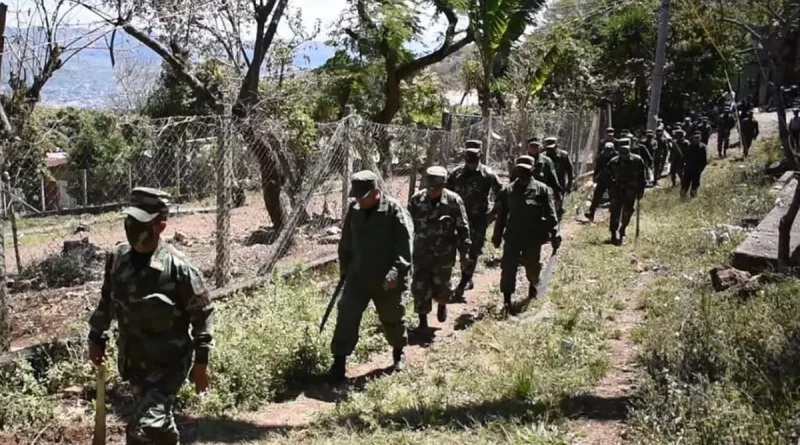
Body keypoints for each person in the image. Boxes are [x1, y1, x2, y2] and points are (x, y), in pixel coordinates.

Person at [88, 187, 213, 445]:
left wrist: (201, 363)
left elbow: (202, 316)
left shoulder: (179, 269)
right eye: (130, 220)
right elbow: (107, 301)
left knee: (145, 426)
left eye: (140, 223)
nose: (132, 227)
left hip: (168, 365)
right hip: (134, 363)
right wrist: (95, 336)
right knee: (157, 425)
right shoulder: (117, 259)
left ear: (161, 226)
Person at [329, 170, 413, 382]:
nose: (359, 200)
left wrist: (395, 272)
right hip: (358, 277)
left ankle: (398, 353)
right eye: (356, 196)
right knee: (346, 315)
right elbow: (346, 242)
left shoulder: (394, 210)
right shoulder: (354, 209)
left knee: (392, 316)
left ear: (376, 192)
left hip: (387, 279)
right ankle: (339, 364)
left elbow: (405, 246)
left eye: (363, 196)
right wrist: (344, 268)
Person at [492, 156, 560, 314]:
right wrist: (497, 235)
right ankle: (507, 300)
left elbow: (551, 213)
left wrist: (555, 233)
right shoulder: (507, 190)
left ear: (532, 170)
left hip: (532, 238)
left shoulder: (541, 189)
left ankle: (533, 286)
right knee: (508, 269)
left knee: (532, 268)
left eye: (526, 170)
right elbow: (501, 216)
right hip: (513, 237)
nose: (522, 173)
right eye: (520, 169)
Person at [408, 166, 471, 328]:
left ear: (442, 186)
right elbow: (407, 226)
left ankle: (442, 304)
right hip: (421, 252)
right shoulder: (416, 200)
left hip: (444, 253)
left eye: (435, 188)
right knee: (420, 286)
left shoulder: (453, 201)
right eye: (429, 187)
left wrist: (464, 254)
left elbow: (463, 228)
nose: (431, 191)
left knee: (442, 284)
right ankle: (423, 323)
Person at [446, 141, 502, 302]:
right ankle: (456, 278)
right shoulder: (456, 174)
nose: (471, 164)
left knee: (474, 250)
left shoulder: (488, 174)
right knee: (455, 249)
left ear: (479, 159)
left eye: (474, 161)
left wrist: (493, 214)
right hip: (457, 219)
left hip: (478, 220)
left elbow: (502, 194)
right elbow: (446, 194)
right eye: (468, 161)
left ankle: (464, 281)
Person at [607, 140, 646, 245]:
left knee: (628, 211)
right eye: (622, 154)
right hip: (617, 190)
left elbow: (642, 177)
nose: (624, 156)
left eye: (626, 154)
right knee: (615, 212)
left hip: (631, 191)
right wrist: (609, 190)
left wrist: (641, 190)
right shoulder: (613, 162)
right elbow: (607, 177)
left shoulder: (637, 161)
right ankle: (614, 233)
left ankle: (622, 229)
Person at [585, 141, 617, 222]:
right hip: (603, 178)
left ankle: (614, 215)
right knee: (597, 195)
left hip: (613, 179)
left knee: (613, 197)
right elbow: (597, 167)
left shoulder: (616, 157)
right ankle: (591, 213)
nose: (607, 152)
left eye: (609, 150)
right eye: (606, 150)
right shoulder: (601, 156)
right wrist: (595, 176)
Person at [543, 136, 574, 219]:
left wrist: (570, 184)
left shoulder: (563, 155)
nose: (550, 151)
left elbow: (570, 171)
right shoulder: (543, 157)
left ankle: (557, 224)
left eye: (552, 148)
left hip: (560, 185)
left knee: (558, 207)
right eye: (548, 148)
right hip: (547, 185)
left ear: (556, 146)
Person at [527, 137, 563, 204]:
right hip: (527, 195)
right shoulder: (523, 161)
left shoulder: (547, 161)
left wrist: (557, 195)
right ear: (528, 148)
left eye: (536, 146)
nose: (533, 149)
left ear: (540, 148)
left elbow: (553, 178)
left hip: (542, 194)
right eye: (531, 146)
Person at [681, 130, 708, 198]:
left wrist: (700, 170)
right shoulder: (689, 147)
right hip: (688, 169)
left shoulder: (703, 148)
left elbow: (704, 161)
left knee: (694, 187)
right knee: (684, 186)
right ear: (692, 138)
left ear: (700, 138)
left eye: (698, 138)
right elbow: (684, 157)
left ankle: (693, 199)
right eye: (695, 138)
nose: (696, 139)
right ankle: (682, 199)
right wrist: (684, 166)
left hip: (696, 170)